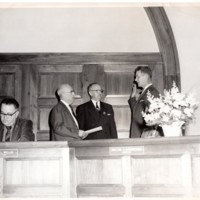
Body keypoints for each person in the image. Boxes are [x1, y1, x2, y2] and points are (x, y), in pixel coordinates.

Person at [128, 66, 163, 138]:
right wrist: (132, 98)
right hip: (139, 135)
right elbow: (138, 112)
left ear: (145, 76)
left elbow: (156, 117)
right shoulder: (145, 92)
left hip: (144, 137)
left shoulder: (152, 92)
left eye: (137, 77)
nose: (135, 79)